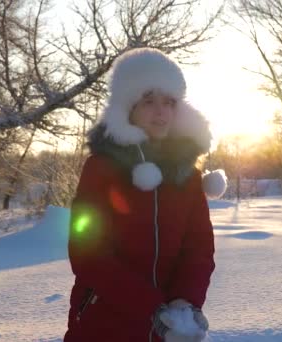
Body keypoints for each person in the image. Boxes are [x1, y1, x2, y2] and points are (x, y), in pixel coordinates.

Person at [64, 47, 227, 342]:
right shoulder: (102, 168)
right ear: (128, 108)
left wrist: (185, 303)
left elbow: (199, 247)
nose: (161, 111)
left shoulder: (187, 175)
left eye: (168, 102)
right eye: (149, 101)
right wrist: (151, 308)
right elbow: (87, 252)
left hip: (168, 328)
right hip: (103, 325)